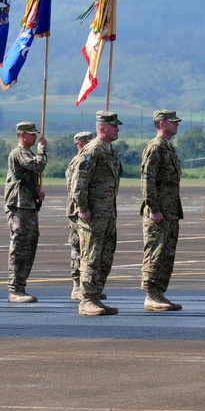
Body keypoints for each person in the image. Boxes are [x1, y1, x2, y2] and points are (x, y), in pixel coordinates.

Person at [71, 111, 123, 316]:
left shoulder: (111, 151)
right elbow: (79, 182)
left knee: (105, 257)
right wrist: (82, 208)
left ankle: (96, 295)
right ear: (102, 128)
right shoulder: (92, 151)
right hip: (93, 215)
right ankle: (86, 300)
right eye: (114, 126)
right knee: (91, 256)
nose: (118, 129)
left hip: (108, 214)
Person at [139, 110, 184, 312]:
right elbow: (147, 179)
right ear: (162, 124)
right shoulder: (156, 147)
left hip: (170, 210)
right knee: (155, 252)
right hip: (159, 212)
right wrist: (153, 208)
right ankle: (151, 294)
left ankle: (159, 292)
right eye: (173, 122)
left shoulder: (167, 147)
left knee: (166, 253)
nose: (177, 124)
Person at [3, 121, 48, 303]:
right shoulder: (19, 152)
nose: (35, 137)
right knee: (20, 246)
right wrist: (42, 150)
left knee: (30, 246)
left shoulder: (27, 153)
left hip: (28, 204)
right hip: (19, 205)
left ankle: (21, 285)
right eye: (31, 134)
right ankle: (15, 289)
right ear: (22, 135)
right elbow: (37, 166)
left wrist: (36, 192)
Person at [66, 131, 95, 300]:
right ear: (81, 144)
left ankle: (87, 285)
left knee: (87, 248)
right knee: (77, 247)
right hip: (76, 210)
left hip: (85, 209)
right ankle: (77, 286)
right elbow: (75, 188)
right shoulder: (78, 161)